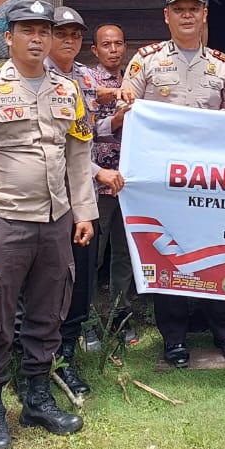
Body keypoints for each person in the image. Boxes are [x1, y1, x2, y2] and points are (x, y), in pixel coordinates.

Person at [0, 0, 98, 449]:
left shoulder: (68, 90)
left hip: (56, 221)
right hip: (6, 220)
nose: (38, 39)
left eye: (45, 31)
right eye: (28, 31)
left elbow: (79, 153)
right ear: (9, 37)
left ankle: (37, 400)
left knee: (48, 313)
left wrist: (84, 212)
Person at [119, 0, 225, 368]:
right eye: (179, 9)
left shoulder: (222, 65)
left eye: (194, 8)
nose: (187, 15)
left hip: (211, 181)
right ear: (167, 16)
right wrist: (127, 105)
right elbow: (127, 111)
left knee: (218, 252)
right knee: (168, 254)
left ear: (204, 14)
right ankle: (174, 337)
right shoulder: (146, 61)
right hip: (163, 181)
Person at [46, 5, 126, 395]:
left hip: (83, 199)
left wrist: (120, 120)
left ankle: (67, 359)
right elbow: (56, 145)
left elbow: (87, 133)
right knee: (48, 282)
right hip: (47, 199)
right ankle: (37, 363)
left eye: (75, 35)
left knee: (81, 280)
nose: (69, 41)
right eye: (61, 34)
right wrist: (99, 172)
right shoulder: (36, 76)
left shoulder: (85, 78)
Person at [87, 22, 138, 346]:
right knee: (93, 255)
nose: (113, 49)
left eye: (118, 43)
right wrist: (115, 121)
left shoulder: (135, 80)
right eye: (106, 44)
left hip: (131, 183)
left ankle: (121, 315)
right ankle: (87, 320)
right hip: (99, 182)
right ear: (95, 50)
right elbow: (82, 129)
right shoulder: (86, 81)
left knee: (125, 253)